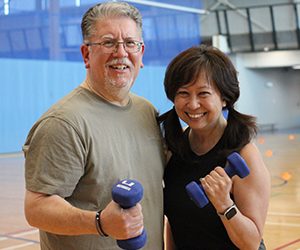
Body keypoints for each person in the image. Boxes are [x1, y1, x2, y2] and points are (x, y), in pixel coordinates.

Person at [22, 2, 165, 249]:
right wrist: (100, 222)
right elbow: (37, 208)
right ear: (87, 54)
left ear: (141, 53)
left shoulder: (148, 112)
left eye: (130, 43)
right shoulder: (64, 123)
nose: (121, 52)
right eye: (108, 42)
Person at [159, 45, 270, 250]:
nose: (193, 104)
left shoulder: (244, 154)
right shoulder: (174, 149)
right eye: (183, 93)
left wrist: (224, 205)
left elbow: (251, 243)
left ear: (224, 98)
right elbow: (176, 221)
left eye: (203, 93)